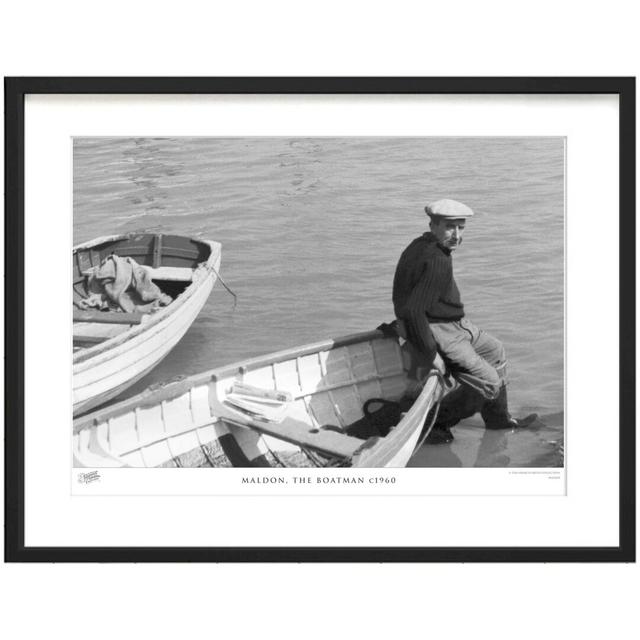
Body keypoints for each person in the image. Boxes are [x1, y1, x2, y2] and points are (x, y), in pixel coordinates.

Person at [392, 198, 537, 444]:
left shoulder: (421, 245)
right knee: (489, 383)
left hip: (456, 323)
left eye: (461, 227)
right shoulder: (437, 260)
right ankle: (437, 423)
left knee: (496, 350)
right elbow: (414, 310)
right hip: (440, 330)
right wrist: (430, 354)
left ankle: (498, 420)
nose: (456, 235)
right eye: (450, 227)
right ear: (433, 225)